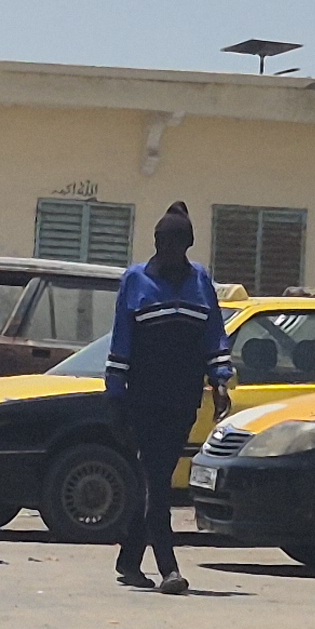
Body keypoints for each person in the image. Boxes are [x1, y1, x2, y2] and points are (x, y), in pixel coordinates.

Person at [103, 201, 232, 593]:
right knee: (158, 481)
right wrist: (115, 395)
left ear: (187, 244)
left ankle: (129, 559)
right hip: (142, 398)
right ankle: (168, 568)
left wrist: (221, 379)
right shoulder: (136, 280)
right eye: (161, 241)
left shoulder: (200, 281)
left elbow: (214, 333)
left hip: (183, 399)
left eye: (175, 242)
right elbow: (120, 338)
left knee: (155, 479)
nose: (167, 248)